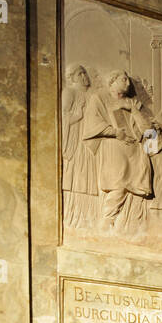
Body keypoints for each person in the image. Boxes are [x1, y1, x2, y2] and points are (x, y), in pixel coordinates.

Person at [82, 70, 155, 235]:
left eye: (129, 81)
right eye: (124, 80)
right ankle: (107, 220)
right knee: (118, 183)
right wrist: (115, 132)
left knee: (136, 187)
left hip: (134, 150)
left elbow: (147, 130)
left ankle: (129, 226)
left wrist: (134, 110)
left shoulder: (133, 102)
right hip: (114, 146)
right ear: (112, 81)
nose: (128, 84)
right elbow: (92, 123)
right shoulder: (99, 99)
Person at [61, 64, 98, 230]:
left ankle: (89, 215)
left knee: (89, 175)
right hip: (75, 141)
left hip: (87, 140)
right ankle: (74, 215)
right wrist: (78, 116)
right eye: (80, 73)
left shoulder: (89, 95)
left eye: (85, 73)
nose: (85, 77)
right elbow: (63, 116)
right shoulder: (70, 92)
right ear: (72, 78)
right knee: (77, 176)